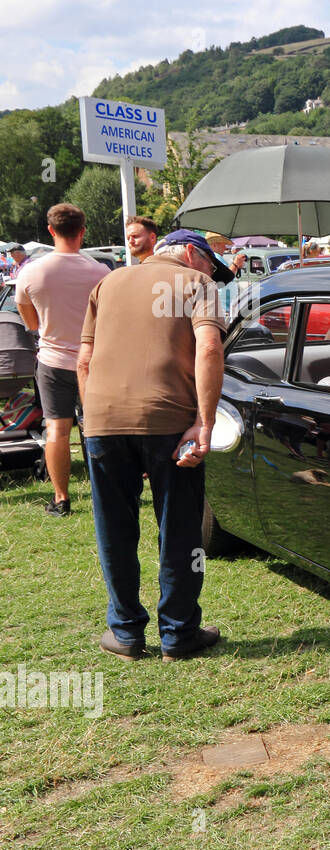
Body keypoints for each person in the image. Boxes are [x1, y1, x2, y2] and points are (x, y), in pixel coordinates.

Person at [76, 229, 233, 662]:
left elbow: (84, 360)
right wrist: (204, 421)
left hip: (103, 421)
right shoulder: (196, 284)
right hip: (170, 422)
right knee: (181, 529)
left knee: (114, 530)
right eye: (209, 263)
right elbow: (209, 349)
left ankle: (125, 634)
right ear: (189, 252)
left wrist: (95, 419)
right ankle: (180, 634)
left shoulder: (107, 283)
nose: (212, 273)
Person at [14, 203, 110, 516]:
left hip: (53, 361)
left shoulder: (31, 272)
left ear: (51, 231)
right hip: (94, 361)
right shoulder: (101, 272)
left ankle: (61, 499)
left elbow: (31, 323)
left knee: (56, 428)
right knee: (97, 427)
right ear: (82, 232)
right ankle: (108, 493)